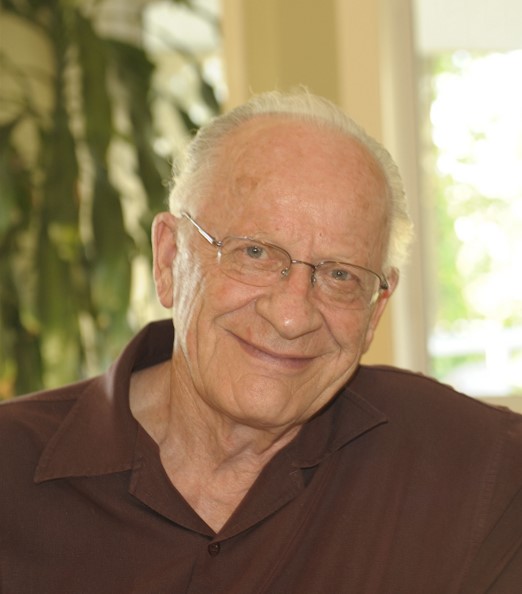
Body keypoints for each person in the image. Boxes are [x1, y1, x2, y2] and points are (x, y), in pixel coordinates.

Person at [1, 90, 521, 594]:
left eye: (340, 275)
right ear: (169, 259)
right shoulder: (11, 471)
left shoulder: (475, 472)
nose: (292, 317)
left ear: (375, 310)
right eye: (254, 253)